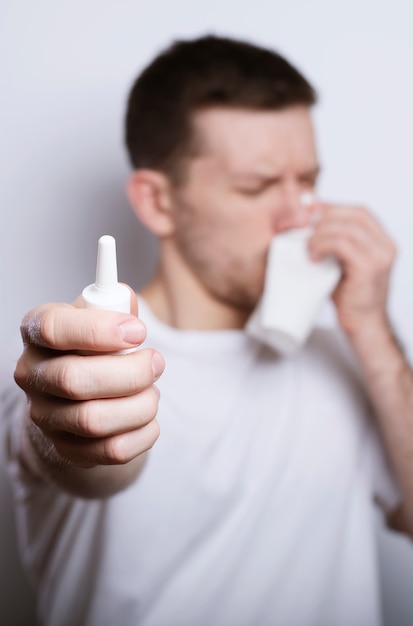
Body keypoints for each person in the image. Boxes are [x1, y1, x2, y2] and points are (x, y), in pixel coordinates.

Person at [3, 34, 413, 626]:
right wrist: (72, 425)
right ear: (157, 203)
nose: (300, 212)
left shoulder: (344, 355)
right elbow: (81, 450)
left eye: (309, 181)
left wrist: (371, 329)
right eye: (258, 186)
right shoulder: (87, 359)